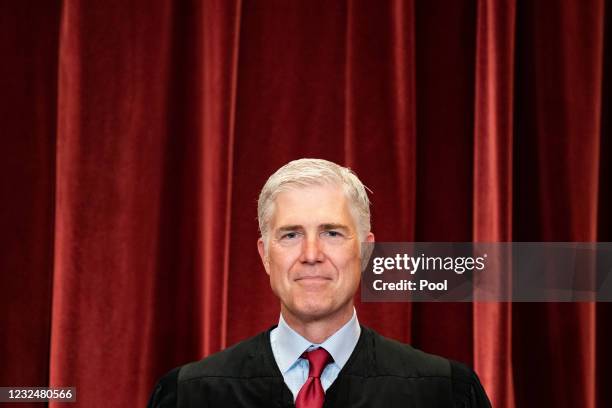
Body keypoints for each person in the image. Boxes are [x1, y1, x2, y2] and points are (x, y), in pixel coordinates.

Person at [148, 158, 491, 407]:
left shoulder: (444, 393)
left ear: (366, 251)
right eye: (291, 234)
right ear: (266, 254)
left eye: (332, 232)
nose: (311, 254)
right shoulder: (189, 396)